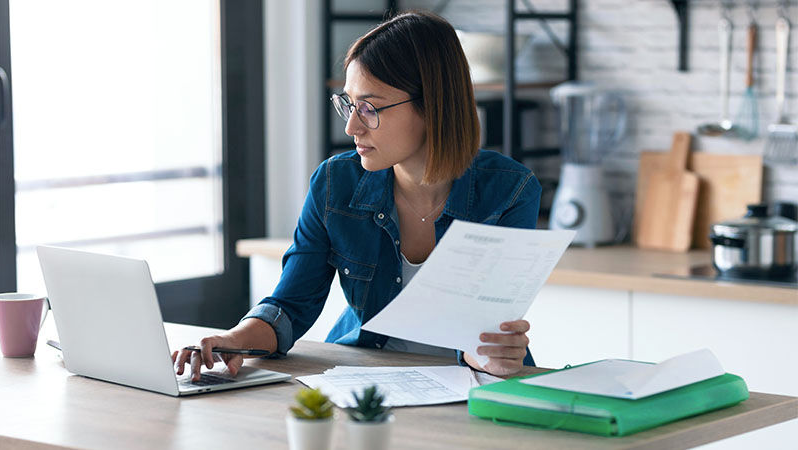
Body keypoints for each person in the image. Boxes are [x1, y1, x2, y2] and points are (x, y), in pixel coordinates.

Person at [173, 10, 541, 381]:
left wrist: (492, 355)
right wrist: (230, 340)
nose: (351, 126)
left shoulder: (510, 191)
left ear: (432, 105)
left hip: (469, 385)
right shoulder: (335, 183)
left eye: (369, 108)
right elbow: (289, 307)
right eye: (348, 104)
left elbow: (486, 334)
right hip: (363, 378)